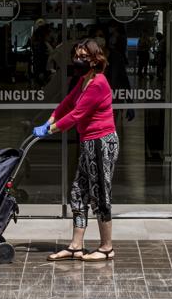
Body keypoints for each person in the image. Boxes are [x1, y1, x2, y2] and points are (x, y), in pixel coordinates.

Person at [32, 38, 119, 262]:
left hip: (101, 142)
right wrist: (49, 120)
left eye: (83, 57)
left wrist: (50, 130)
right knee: (78, 194)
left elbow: (77, 114)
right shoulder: (84, 80)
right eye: (76, 56)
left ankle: (106, 247)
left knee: (100, 194)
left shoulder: (99, 83)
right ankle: (75, 246)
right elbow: (66, 105)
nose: (77, 60)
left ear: (94, 59)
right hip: (88, 143)